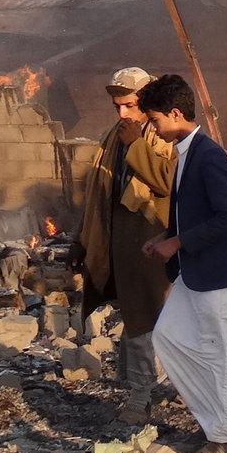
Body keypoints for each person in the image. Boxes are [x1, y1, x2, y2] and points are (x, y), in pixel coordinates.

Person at [139, 74, 227, 446]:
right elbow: (191, 213)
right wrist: (165, 238)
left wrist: (179, 242)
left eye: (155, 120)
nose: (152, 129)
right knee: (169, 337)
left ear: (176, 113)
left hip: (219, 275)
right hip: (194, 272)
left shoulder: (209, 155)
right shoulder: (184, 154)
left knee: (225, 355)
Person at [77, 67, 176, 423]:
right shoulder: (113, 135)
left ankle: (144, 394)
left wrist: (136, 144)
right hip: (122, 241)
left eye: (129, 104)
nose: (122, 113)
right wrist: (84, 239)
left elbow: (165, 182)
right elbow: (100, 192)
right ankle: (144, 388)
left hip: (154, 240)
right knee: (136, 316)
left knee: (152, 318)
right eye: (117, 106)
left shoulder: (160, 135)